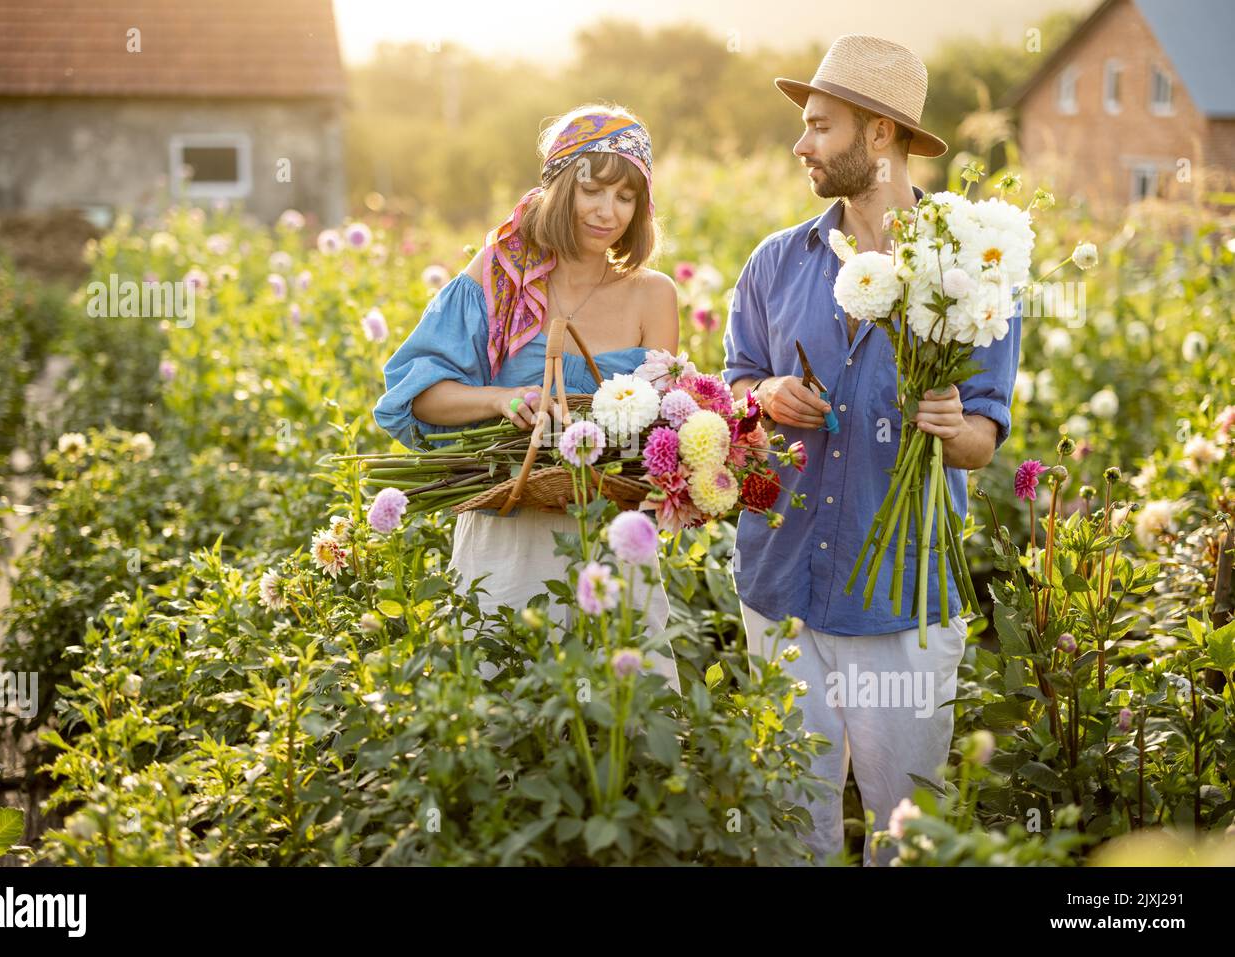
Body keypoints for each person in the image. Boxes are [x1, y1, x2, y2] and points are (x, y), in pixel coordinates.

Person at [721, 35, 1022, 865]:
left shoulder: (970, 269)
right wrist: (763, 398)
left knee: (906, 837)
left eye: (820, 125)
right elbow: (736, 383)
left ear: (880, 134)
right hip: (780, 586)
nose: (801, 143)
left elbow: (981, 442)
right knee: (789, 828)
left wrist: (950, 421)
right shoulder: (777, 262)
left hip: (902, 601)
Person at [373, 104, 682, 693]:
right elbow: (417, 399)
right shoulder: (499, 277)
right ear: (559, 186)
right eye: (592, 190)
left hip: (608, 532)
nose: (607, 212)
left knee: (618, 716)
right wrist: (498, 399)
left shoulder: (653, 295)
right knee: (499, 705)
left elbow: (658, 433)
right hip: (507, 532)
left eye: (625, 197)